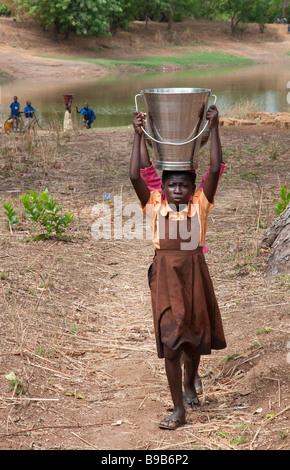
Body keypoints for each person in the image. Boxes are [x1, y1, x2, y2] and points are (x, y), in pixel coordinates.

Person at [129, 105, 227, 430]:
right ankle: (178, 410)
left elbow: (214, 170)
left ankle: (190, 382)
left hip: (195, 276)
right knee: (171, 341)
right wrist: (137, 134)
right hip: (165, 279)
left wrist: (214, 128)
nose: (178, 189)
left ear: (192, 188)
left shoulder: (200, 205)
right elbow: (136, 174)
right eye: (171, 185)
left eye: (184, 185)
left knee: (194, 336)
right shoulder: (155, 207)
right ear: (163, 189)